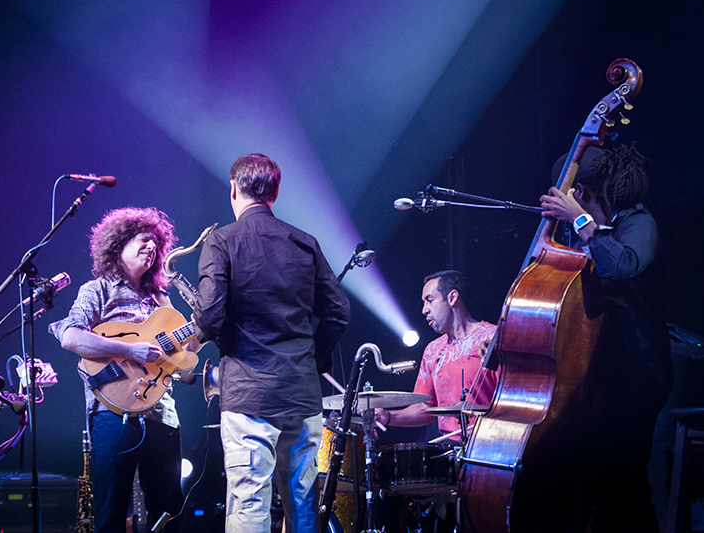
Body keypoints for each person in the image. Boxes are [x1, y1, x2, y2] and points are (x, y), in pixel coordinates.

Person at [191, 153, 351, 533]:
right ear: (275, 193)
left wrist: (196, 336)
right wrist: (316, 360)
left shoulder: (222, 241)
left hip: (248, 396)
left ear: (233, 190)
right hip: (301, 394)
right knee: (304, 506)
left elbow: (210, 315)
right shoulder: (305, 242)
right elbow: (339, 313)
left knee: (249, 502)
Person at [526, 143, 673, 532]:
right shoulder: (587, 235)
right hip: (599, 374)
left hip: (637, 373)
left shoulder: (640, 223)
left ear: (586, 193)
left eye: (575, 194)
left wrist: (579, 223)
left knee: (626, 484)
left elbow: (621, 264)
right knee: (596, 488)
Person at [49, 207, 185, 533]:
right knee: (111, 509)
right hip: (112, 413)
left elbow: (184, 359)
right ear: (119, 244)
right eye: (143, 240)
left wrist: (199, 337)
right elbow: (71, 336)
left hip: (161, 413)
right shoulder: (97, 290)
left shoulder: (161, 299)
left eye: (156, 243)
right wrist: (129, 349)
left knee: (169, 509)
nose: (151, 247)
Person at [374, 270, 497, 443]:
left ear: (452, 298)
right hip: (449, 447)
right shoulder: (432, 350)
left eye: (429, 301)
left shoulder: (493, 338)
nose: (424, 310)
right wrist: (387, 416)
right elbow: (426, 407)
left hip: (491, 444)